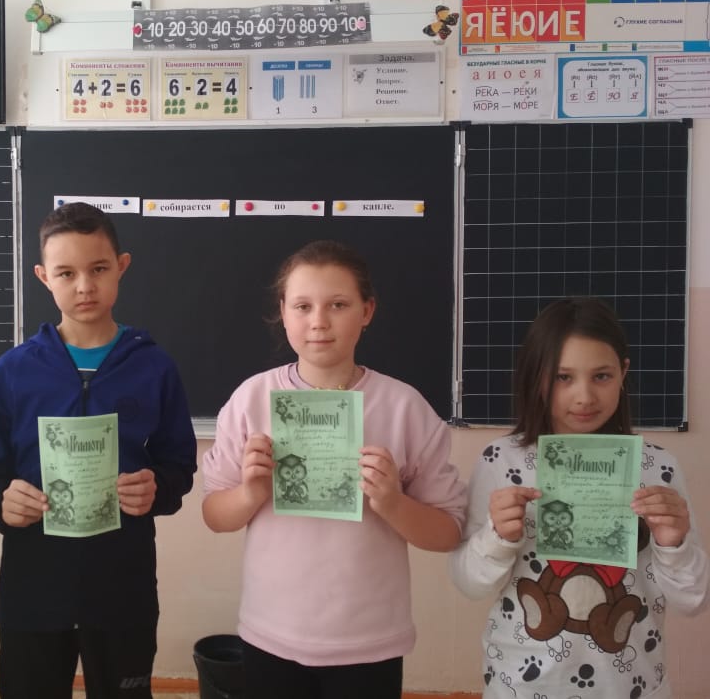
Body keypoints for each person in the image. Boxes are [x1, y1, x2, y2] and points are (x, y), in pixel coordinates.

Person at [200, 239, 466, 699]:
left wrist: (392, 503)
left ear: (367, 311)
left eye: (338, 305)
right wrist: (250, 492)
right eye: (303, 306)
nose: (319, 321)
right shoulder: (252, 400)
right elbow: (214, 516)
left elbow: (448, 532)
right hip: (271, 633)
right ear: (283, 312)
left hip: (369, 640)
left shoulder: (404, 408)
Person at [0, 201, 197, 699]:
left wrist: (157, 488)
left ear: (122, 266)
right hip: (34, 587)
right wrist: (2, 501)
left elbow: (179, 462)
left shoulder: (154, 366)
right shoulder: (15, 369)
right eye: (66, 273)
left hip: (122, 588)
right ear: (43, 277)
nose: (85, 286)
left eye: (99, 269)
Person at [449, 297, 709, 698]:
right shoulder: (502, 461)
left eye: (601, 376)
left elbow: (693, 600)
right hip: (523, 685)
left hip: (632, 686)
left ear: (623, 372)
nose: (584, 396)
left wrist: (674, 545)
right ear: (536, 377)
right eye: (563, 377)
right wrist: (497, 539)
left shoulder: (658, 468)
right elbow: (469, 584)